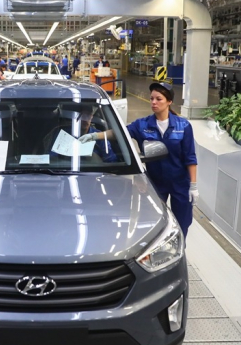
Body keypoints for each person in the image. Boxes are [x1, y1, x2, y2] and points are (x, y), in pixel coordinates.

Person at [80, 82, 197, 238]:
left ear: (169, 101)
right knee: (155, 222)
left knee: (182, 223)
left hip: (180, 183)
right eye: (151, 99)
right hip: (156, 183)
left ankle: (180, 250)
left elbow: (190, 157)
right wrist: (95, 136)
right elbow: (119, 134)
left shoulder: (183, 126)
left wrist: (193, 186)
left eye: (159, 99)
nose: (154, 102)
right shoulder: (142, 125)